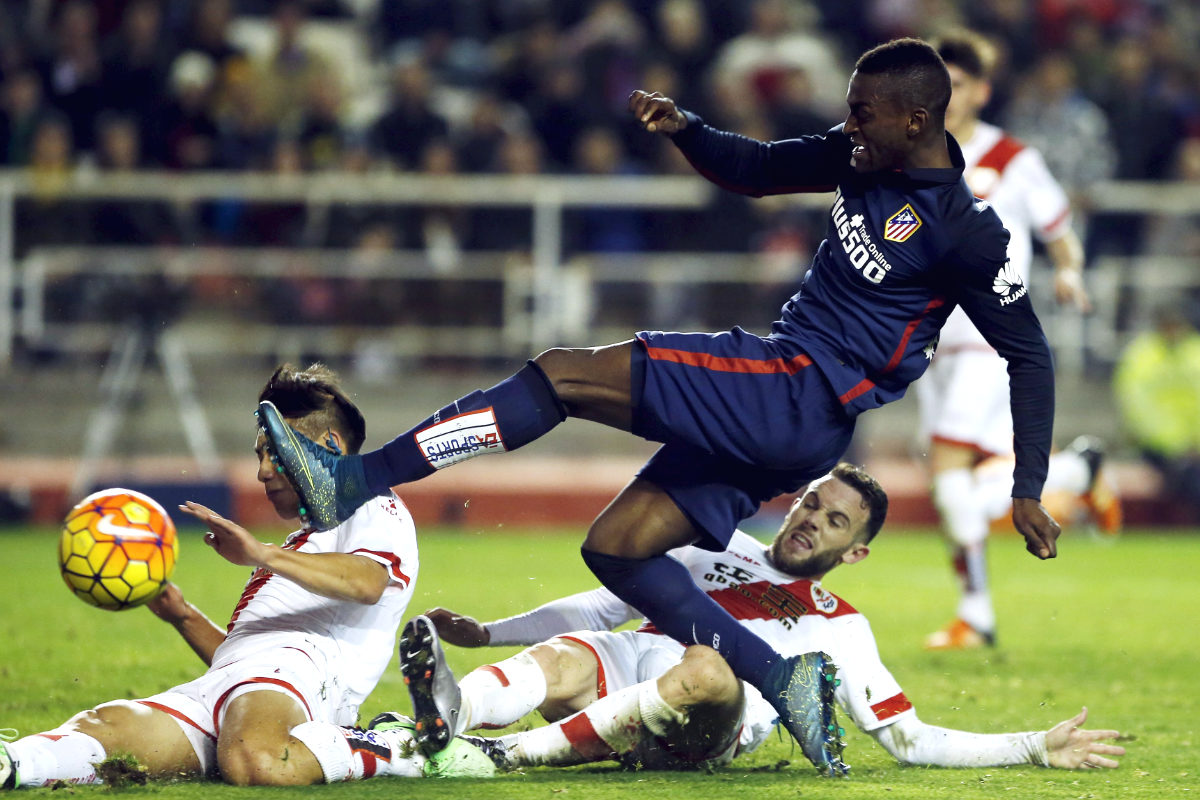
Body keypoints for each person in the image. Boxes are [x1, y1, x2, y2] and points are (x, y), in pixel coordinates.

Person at [256, 38, 1062, 776]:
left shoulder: (967, 235)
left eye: (862, 110)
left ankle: (356, 482)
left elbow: (1028, 352)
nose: (848, 121)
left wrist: (1026, 486)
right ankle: (783, 678)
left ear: (916, 118)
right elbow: (752, 168)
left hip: (797, 387)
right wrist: (687, 129)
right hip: (790, 418)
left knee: (565, 374)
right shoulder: (861, 155)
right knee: (619, 550)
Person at [383, 464, 1124, 774]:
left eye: (834, 522)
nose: (811, 523)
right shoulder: (714, 544)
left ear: (854, 553)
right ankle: (449, 715)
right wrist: (490, 632)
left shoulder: (842, 625)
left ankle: (505, 755)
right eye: (810, 503)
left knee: (708, 666)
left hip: (711, 716)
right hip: (631, 670)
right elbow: (607, 603)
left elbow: (906, 737)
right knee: (571, 651)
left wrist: (1030, 746)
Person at [0, 365, 489, 790]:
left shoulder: (371, 501)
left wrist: (261, 554)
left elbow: (367, 582)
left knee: (256, 758)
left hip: (302, 677)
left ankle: (403, 746)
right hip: (229, 684)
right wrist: (182, 615)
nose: (261, 471)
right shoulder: (303, 542)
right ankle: (11, 762)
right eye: (259, 454)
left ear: (328, 446)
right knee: (106, 729)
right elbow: (245, 659)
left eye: (273, 452)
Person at [916, 31, 1119, 650]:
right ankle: (1077, 472)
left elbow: (1060, 230)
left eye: (957, 86)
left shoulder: (1011, 158)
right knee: (952, 484)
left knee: (951, 471)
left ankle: (975, 614)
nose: (946, 99)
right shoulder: (911, 158)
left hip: (985, 334)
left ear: (981, 90)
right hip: (926, 341)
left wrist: (1070, 271)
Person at [1113, 303, 1200, 523]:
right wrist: (1177, 445)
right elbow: (1138, 408)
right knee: (1188, 478)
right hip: (1158, 446)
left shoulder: (1194, 351)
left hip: (1192, 446)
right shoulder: (1142, 356)